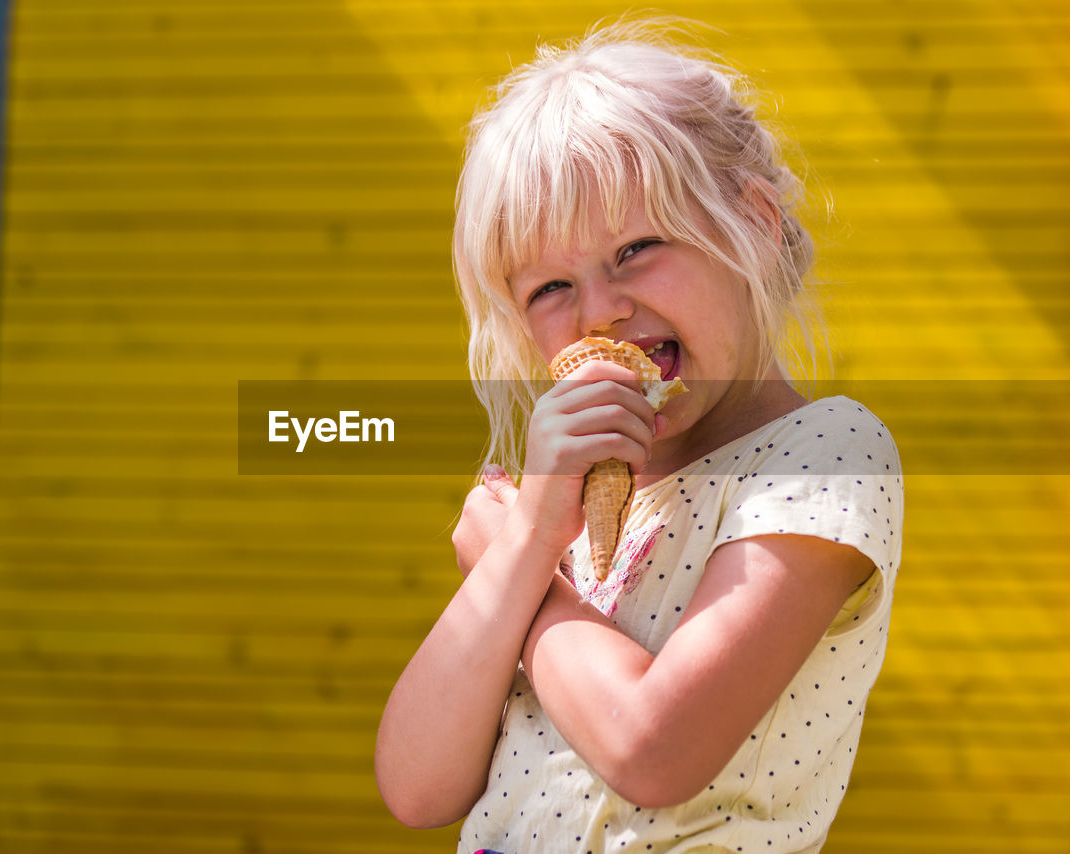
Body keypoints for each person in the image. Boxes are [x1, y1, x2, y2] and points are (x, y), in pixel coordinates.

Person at [374, 18, 904, 853]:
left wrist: (529, 580)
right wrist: (523, 551)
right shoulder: (564, 504)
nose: (599, 309)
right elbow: (415, 787)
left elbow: (653, 750)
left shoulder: (825, 456)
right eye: (551, 285)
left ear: (756, 225)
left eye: (636, 248)